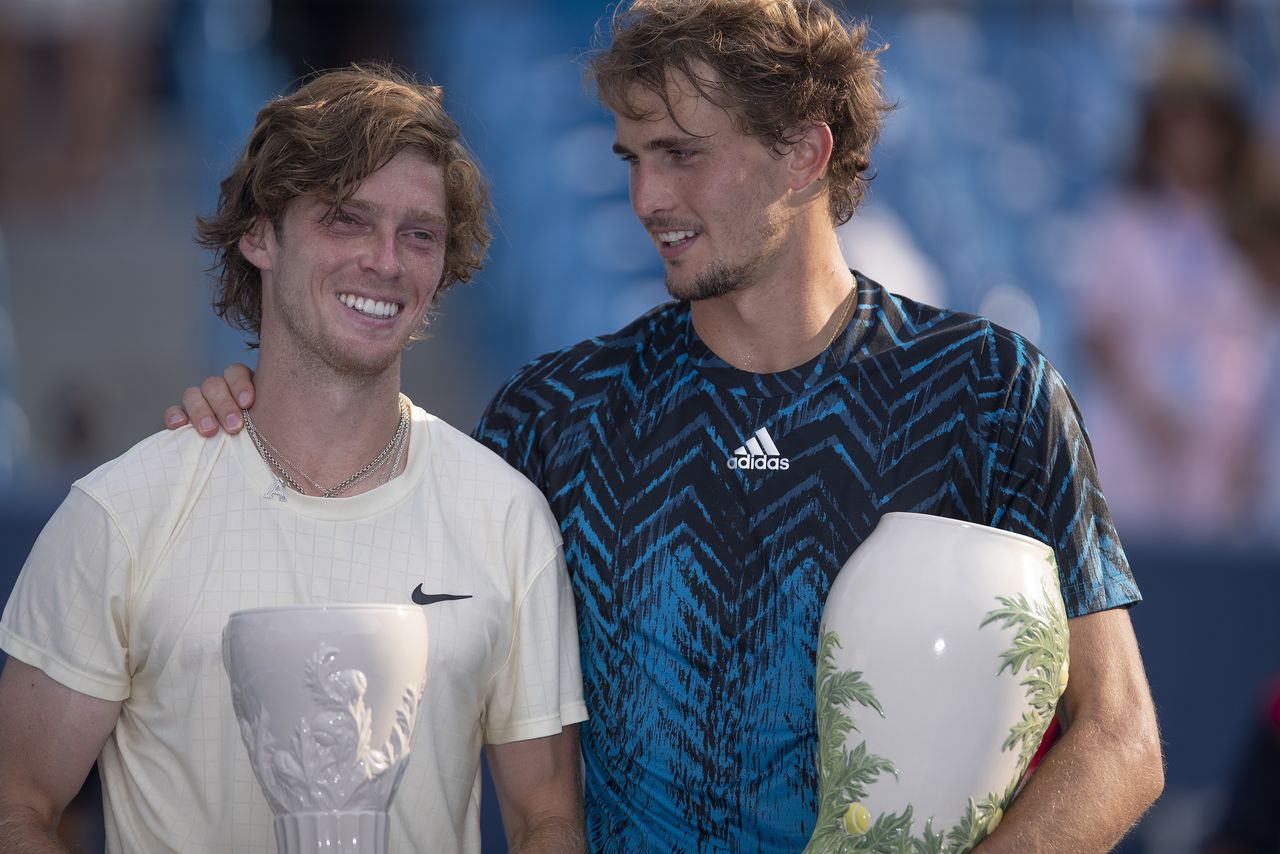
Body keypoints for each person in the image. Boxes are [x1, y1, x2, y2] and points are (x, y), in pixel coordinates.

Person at [167, 1, 1165, 850]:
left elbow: (1119, 736)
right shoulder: (557, 413)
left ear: (802, 153)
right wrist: (262, 427)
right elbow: (359, 624)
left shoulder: (987, 389)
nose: (647, 198)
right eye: (633, 158)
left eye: (681, 155)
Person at [0, 65, 588, 853]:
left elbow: (546, 818)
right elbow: (19, 807)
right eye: (346, 220)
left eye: (419, 233)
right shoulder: (122, 514)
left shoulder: (509, 517)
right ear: (258, 235)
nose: (386, 260)